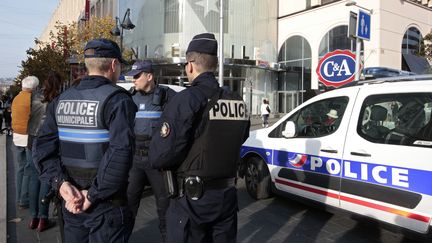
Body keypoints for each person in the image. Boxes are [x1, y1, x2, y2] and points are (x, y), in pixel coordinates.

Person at [149, 33, 250, 243]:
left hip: (193, 203)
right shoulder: (236, 100)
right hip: (226, 199)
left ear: (191, 65)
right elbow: (241, 137)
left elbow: (161, 156)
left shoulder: (187, 99)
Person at [33, 38, 137, 242]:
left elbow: (43, 148)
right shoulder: (117, 100)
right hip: (105, 206)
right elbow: (120, 154)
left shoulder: (61, 100)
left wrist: (61, 184)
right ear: (114, 65)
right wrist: (91, 196)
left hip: (71, 203)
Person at [125, 60, 176, 241]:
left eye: (137, 76)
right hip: (135, 160)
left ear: (149, 76)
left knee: (165, 207)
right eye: (132, 76)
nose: (133, 80)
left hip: (158, 161)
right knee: (128, 206)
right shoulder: (129, 97)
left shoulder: (167, 96)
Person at [27, 71, 62, 232]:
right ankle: (43, 218)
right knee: (46, 179)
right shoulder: (58, 99)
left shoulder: (34, 96)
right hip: (47, 142)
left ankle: (33, 218)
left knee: (34, 179)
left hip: (32, 139)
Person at [12, 76, 39, 209]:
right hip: (27, 137)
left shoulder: (17, 98)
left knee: (21, 168)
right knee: (29, 169)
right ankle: (25, 198)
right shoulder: (32, 99)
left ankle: (19, 197)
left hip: (17, 136)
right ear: (35, 88)